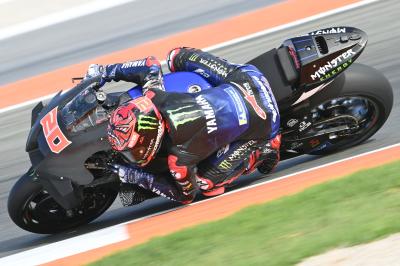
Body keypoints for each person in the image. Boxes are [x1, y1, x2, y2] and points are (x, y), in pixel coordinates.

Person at [86, 47, 281, 204]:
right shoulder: (155, 96)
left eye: (132, 150)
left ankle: (264, 150)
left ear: (150, 138)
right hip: (246, 79)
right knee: (175, 56)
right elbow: (150, 64)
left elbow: (186, 195)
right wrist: (104, 72)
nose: (131, 155)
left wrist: (132, 175)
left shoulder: (178, 159)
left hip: (264, 119)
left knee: (207, 185)